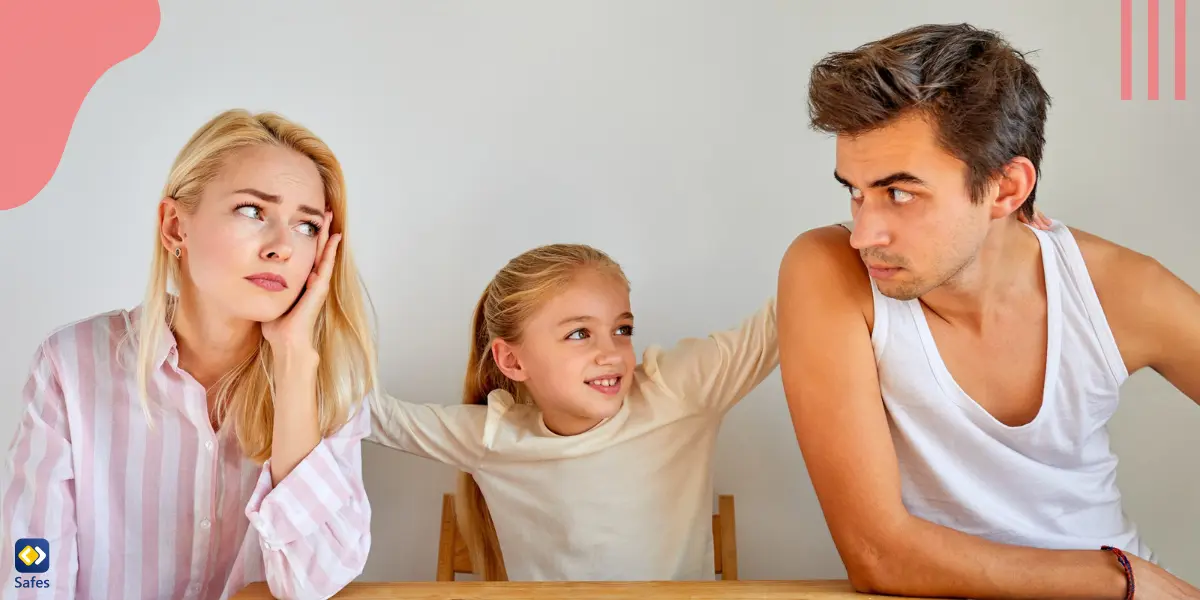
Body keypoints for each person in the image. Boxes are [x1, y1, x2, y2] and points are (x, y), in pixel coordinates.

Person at [776, 23, 1200, 599]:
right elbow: (878, 553)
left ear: (1006, 188)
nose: (864, 234)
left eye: (900, 193)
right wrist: (1122, 578)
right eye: (856, 191)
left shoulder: (1119, 290)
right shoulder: (827, 271)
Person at [1, 109, 377, 599]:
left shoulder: (329, 387)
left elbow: (311, 584)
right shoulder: (71, 365)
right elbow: (33, 568)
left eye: (306, 226)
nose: (282, 247)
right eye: (252, 211)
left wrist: (295, 360)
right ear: (176, 227)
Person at [368, 243, 777, 581]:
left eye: (623, 329)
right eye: (579, 333)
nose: (611, 353)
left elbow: (785, 316)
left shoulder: (678, 392)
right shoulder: (492, 437)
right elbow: (366, 413)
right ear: (512, 361)